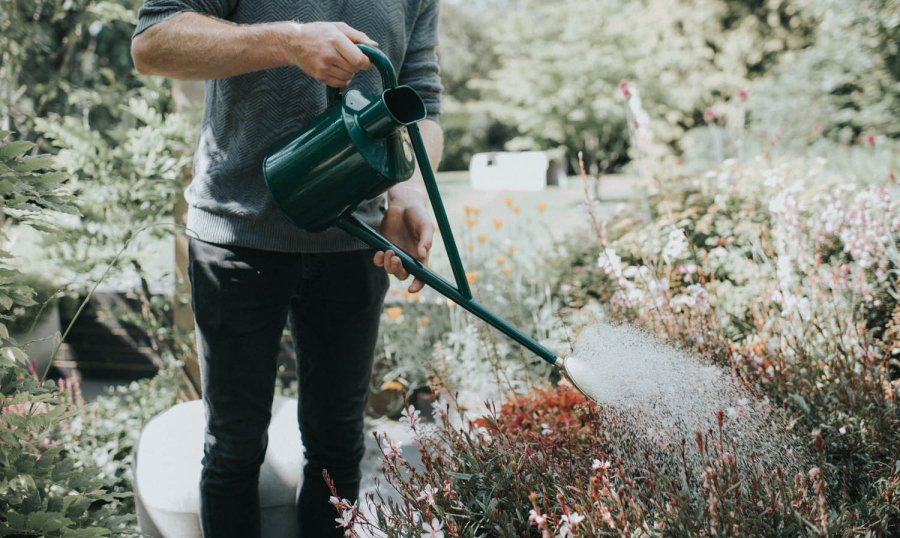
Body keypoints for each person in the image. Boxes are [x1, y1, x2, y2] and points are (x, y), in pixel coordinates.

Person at [130, 2, 442, 536]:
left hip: (355, 241)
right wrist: (288, 42)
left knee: (339, 450)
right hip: (237, 236)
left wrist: (407, 191)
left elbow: (421, 97)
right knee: (232, 447)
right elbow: (153, 43)